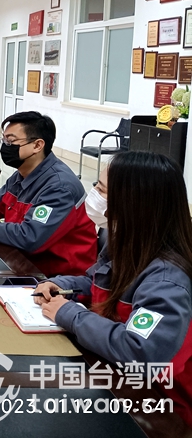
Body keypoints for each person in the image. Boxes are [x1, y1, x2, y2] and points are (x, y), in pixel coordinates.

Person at [34, 152, 192, 424]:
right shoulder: (123, 237)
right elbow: (99, 281)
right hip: (111, 371)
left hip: (158, 405)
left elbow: (139, 351)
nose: (93, 194)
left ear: (135, 203)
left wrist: (70, 314)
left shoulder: (167, 280)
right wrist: (63, 285)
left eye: (102, 189)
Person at [0, 111, 97, 276]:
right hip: (20, 261)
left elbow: (30, 237)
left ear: (37, 145)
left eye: (11, 141)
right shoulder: (25, 172)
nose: (5, 146)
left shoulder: (59, 187)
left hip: (56, 278)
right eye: (3, 140)